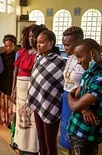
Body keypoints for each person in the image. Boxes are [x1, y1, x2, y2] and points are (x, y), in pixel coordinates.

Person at [27, 30, 66, 155]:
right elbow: (36, 80)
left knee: (50, 141)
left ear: (51, 43)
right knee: (40, 138)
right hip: (38, 102)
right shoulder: (38, 58)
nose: (38, 45)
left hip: (51, 105)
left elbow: (62, 84)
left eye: (42, 42)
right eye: (38, 42)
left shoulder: (59, 61)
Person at [11, 24, 48, 155]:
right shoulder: (22, 52)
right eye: (30, 36)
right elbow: (15, 72)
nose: (32, 39)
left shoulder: (41, 54)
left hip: (33, 89)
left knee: (31, 119)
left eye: (34, 37)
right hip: (20, 89)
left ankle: (32, 146)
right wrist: (13, 90)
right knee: (21, 117)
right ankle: (21, 142)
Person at [67, 38, 102, 155]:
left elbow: (75, 105)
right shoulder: (87, 72)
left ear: (93, 53)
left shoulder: (100, 78)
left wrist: (70, 97)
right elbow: (75, 95)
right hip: (75, 128)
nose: (78, 62)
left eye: (80, 57)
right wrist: (84, 108)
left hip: (87, 134)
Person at [59, 26, 84, 155]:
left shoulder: (86, 61)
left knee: (77, 138)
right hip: (66, 98)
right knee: (68, 135)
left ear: (79, 41)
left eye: (67, 45)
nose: (65, 48)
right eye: (64, 44)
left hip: (79, 100)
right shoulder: (69, 58)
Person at [0, 34, 17, 127]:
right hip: (2, 81)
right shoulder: (1, 56)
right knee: (2, 101)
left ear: (14, 46)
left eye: (11, 46)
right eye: (6, 46)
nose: (8, 48)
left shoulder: (16, 56)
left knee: (10, 102)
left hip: (11, 81)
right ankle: (2, 119)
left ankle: (10, 121)